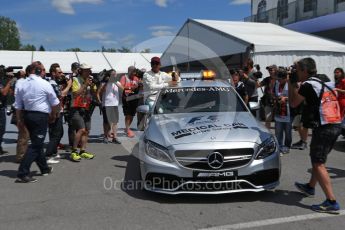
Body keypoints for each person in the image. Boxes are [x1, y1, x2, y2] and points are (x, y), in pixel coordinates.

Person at [289, 57, 342, 214]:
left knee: (318, 162)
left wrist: (292, 84)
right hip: (335, 124)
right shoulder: (324, 80)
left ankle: (331, 201)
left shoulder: (307, 85)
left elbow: (293, 103)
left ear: (304, 70)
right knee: (318, 159)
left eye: (297, 69)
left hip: (324, 127)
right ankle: (310, 187)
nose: (296, 72)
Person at [14, 61, 59, 183]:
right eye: (42, 70)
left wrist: (19, 119)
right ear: (38, 71)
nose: (43, 71)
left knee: (36, 142)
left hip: (27, 115)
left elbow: (18, 105)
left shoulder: (22, 84)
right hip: (40, 117)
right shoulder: (44, 83)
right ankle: (23, 173)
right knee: (36, 145)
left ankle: (44, 168)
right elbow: (55, 102)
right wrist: (54, 115)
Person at [70, 63, 96, 162]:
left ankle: (83, 151)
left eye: (89, 69)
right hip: (76, 107)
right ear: (81, 71)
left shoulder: (89, 80)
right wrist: (85, 85)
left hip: (86, 108)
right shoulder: (76, 80)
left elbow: (93, 93)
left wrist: (93, 85)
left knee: (87, 130)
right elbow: (75, 94)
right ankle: (74, 151)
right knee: (81, 129)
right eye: (87, 70)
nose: (89, 71)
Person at [45, 65, 71, 164]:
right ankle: (48, 155)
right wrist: (68, 85)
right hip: (55, 111)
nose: (62, 74)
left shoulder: (54, 82)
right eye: (59, 72)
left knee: (54, 132)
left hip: (56, 110)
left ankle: (54, 152)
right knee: (57, 133)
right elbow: (61, 95)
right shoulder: (52, 83)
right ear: (53, 73)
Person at [97, 69, 121, 144]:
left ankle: (115, 137)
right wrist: (99, 102)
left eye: (115, 74)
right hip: (106, 104)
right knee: (106, 122)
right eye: (113, 74)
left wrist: (115, 82)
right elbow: (99, 92)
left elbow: (123, 89)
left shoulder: (117, 82)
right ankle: (105, 136)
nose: (114, 75)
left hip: (115, 104)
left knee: (115, 122)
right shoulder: (104, 83)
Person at [274, 67, 291, 154]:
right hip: (279, 109)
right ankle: (279, 146)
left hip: (288, 111)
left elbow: (296, 96)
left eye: (280, 79)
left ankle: (287, 146)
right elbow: (275, 94)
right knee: (278, 131)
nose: (278, 81)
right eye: (278, 79)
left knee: (288, 131)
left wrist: (286, 98)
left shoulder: (290, 83)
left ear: (285, 78)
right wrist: (277, 98)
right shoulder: (277, 83)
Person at [14, 68, 30, 163]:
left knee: (26, 135)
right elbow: (17, 95)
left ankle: (24, 154)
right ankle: (21, 157)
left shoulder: (25, 81)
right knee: (24, 134)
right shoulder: (20, 82)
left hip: (25, 109)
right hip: (22, 110)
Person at [119, 66, 140, 138]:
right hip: (126, 97)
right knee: (127, 114)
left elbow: (138, 87)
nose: (134, 73)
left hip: (134, 97)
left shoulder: (136, 78)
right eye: (133, 71)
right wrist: (131, 88)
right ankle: (128, 130)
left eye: (135, 72)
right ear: (129, 71)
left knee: (132, 114)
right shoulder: (124, 77)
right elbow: (121, 87)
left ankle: (127, 128)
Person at [0, 67, 16, 155]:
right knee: (1, 129)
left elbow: (9, 93)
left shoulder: (3, 81)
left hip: (2, 107)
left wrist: (10, 84)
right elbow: (4, 92)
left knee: (2, 129)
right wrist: (10, 82)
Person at [64, 62, 79, 151]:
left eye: (78, 68)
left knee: (79, 123)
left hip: (79, 102)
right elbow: (68, 87)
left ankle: (77, 143)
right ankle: (71, 144)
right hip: (70, 102)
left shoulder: (81, 77)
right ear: (72, 69)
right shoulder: (68, 76)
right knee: (71, 124)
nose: (78, 70)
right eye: (76, 68)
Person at [258, 65, 277, 129]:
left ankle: (278, 134)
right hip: (268, 101)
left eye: (271, 70)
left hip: (278, 102)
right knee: (268, 119)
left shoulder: (280, 79)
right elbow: (258, 85)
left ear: (276, 70)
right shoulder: (267, 79)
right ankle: (268, 133)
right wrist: (255, 78)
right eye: (269, 70)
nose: (270, 71)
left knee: (278, 120)